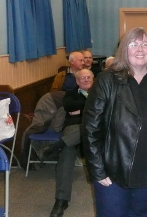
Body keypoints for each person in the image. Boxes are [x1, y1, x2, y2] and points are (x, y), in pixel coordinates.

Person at [82, 27, 147, 217]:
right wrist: (97, 169)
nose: (140, 49)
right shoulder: (107, 80)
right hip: (113, 167)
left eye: (145, 44)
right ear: (123, 50)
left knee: (140, 214)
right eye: (133, 44)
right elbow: (90, 129)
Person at [39, 69, 94, 217]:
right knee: (66, 154)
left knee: (87, 127)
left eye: (88, 77)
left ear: (93, 79)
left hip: (94, 130)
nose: (86, 80)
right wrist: (89, 108)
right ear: (77, 81)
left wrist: (81, 109)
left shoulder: (99, 92)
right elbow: (69, 106)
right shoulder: (70, 93)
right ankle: (61, 200)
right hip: (73, 128)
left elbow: (105, 109)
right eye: (82, 78)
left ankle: (57, 145)